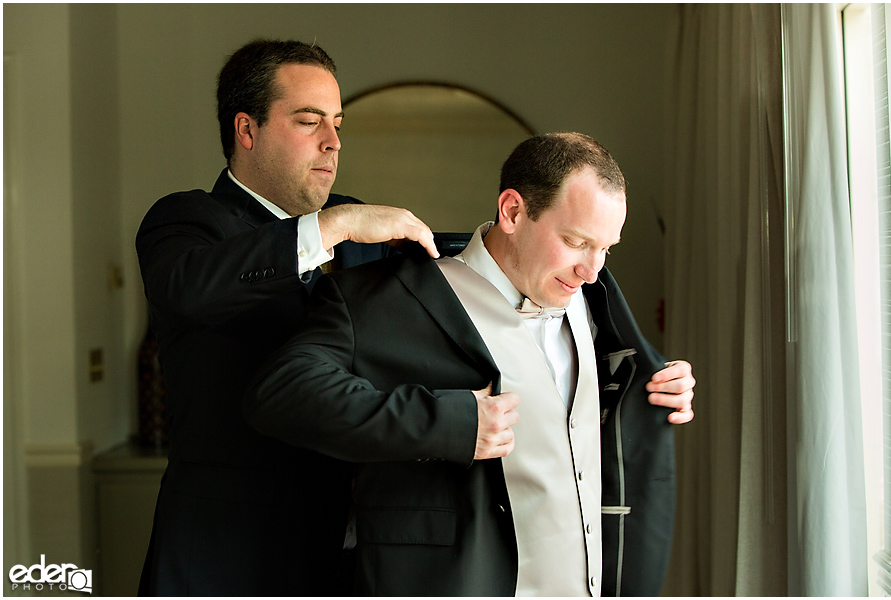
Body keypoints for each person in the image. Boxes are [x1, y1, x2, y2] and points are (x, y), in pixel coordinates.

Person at [244, 132, 695, 596]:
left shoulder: (594, 298)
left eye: (606, 248)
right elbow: (279, 394)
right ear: (513, 212)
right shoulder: (382, 300)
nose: (592, 269)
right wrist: (445, 423)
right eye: (575, 241)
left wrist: (660, 384)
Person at [135, 39, 439, 596]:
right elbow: (187, 290)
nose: (333, 142)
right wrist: (333, 226)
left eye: (338, 124)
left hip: (348, 564)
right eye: (308, 121)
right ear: (246, 131)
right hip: (224, 563)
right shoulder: (186, 221)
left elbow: (450, 295)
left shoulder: (359, 233)